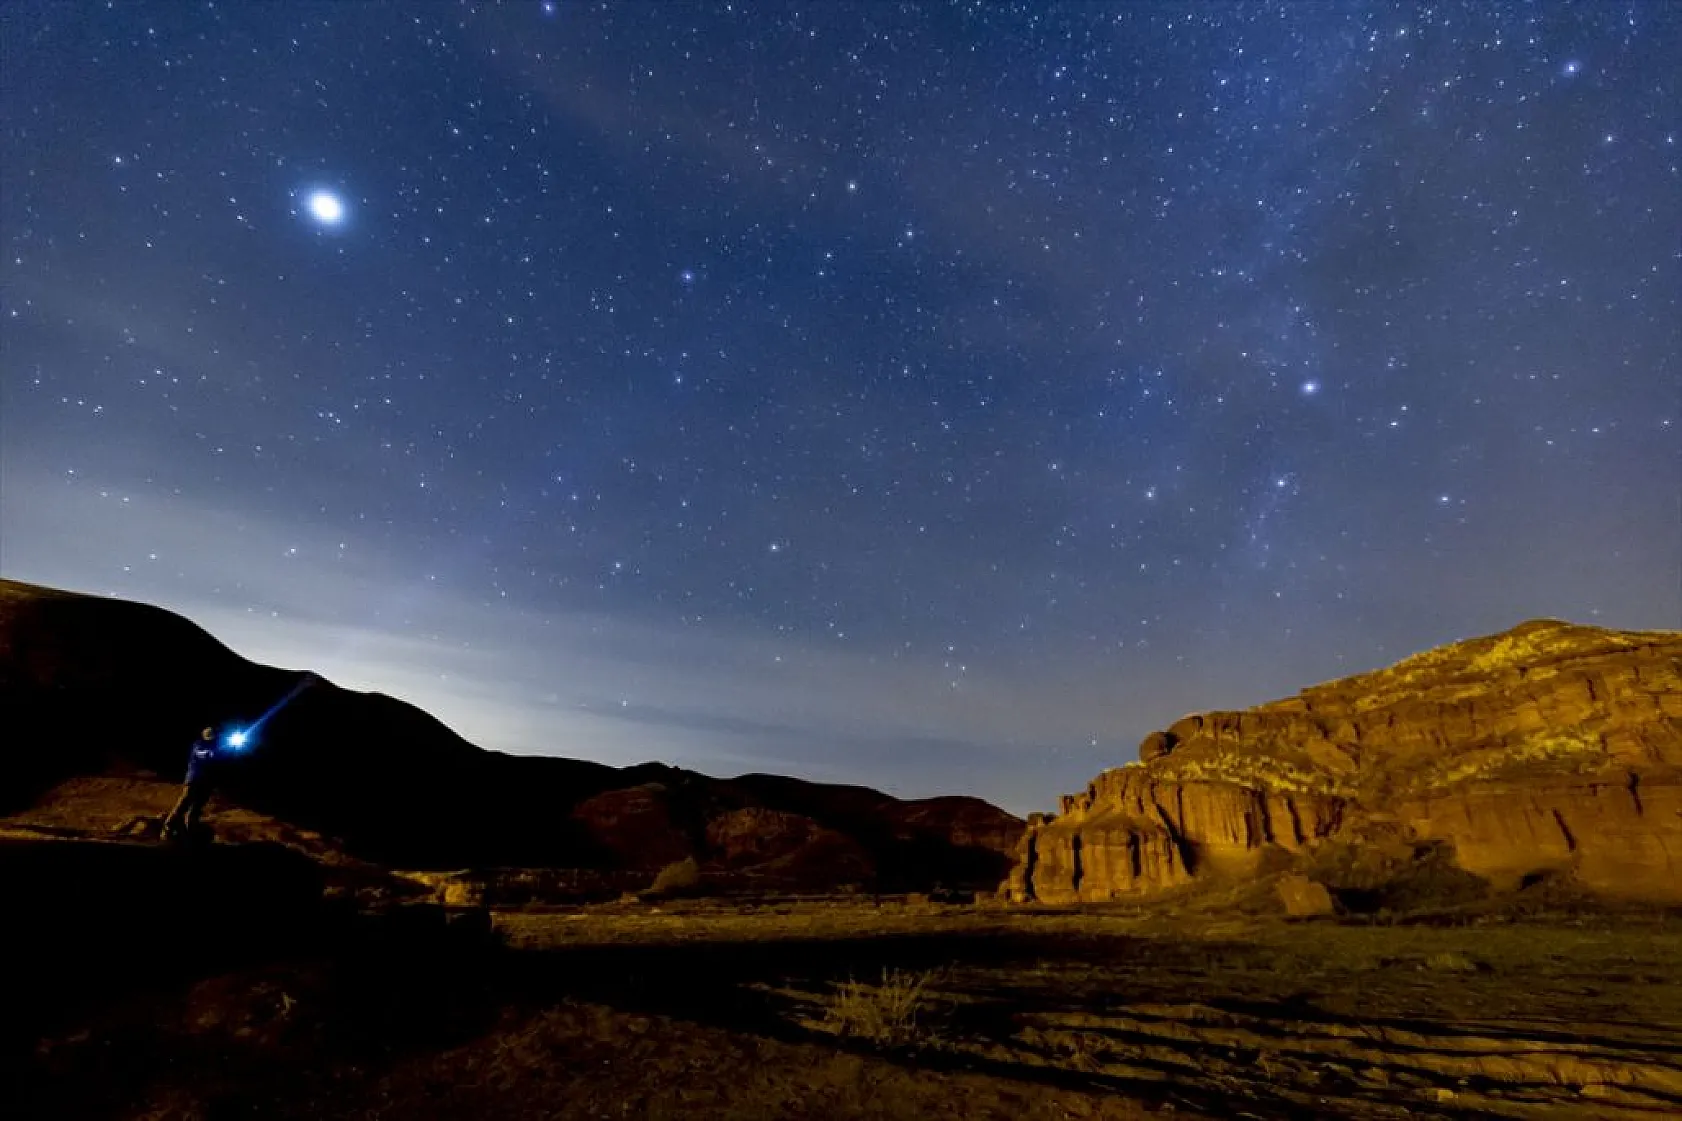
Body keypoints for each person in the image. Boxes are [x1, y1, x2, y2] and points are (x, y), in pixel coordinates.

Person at [162, 725, 223, 840]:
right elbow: (201, 754)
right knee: (184, 804)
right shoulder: (199, 745)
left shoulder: (216, 748)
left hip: (206, 783)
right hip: (194, 780)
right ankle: (168, 827)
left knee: (196, 808)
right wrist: (212, 753)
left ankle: (190, 831)